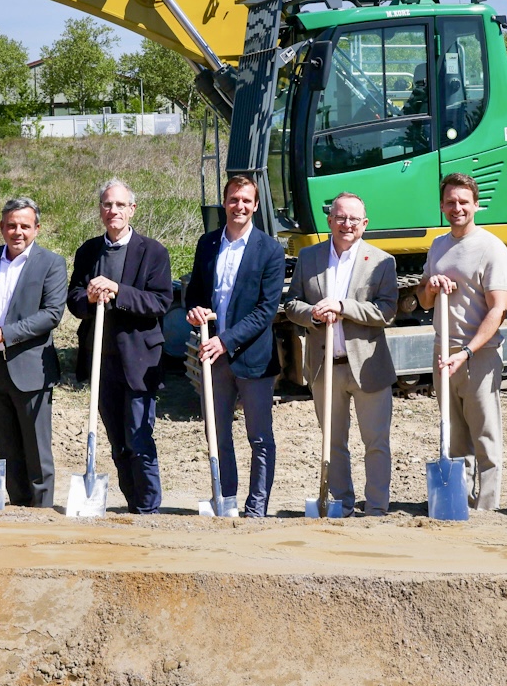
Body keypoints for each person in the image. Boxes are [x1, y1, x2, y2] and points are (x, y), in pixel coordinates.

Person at [282, 192, 400, 515]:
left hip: (367, 367)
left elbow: (387, 311)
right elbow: (292, 304)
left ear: (364, 224)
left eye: (353, 219)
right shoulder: (309, 258)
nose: (346, 224)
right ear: (330, 220)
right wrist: (315, 314)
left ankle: (376, 508)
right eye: (340, 217)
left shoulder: (381, 262)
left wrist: (343, 307)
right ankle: (341, 504)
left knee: (375, 442)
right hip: (324, 367)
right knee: (333, 442)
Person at [68, 178, 174, 513]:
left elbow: (160, 302)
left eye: (119, 205)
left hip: (139, 361)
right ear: (100, 210)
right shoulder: (88, 252)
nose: (113, 211)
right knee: (116, 442)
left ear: (132, 209)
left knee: (138, 438)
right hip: (101, 359)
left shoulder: (153, 251)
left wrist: (117, 291)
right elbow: (73, 300)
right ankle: (131, 504)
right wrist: (88, 296)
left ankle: (148, 507)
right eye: (107, 205)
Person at [182, 175, 287, 516]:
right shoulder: (208, 244)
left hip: (252, 358)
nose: (239, 206)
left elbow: (265, 311)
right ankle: (224, 500)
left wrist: (225, 341)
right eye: (233, 199)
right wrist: (194, 310)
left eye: (246, 200)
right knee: (217, 434)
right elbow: (195, 292)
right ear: (224, 203)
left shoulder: (270, 250)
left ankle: (256, 509)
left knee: (259, 438)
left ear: (255, 206)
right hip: (212, 357)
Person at [0, 196, 68, 508]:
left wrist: (4, 334)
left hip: (31, 367)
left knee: (37, 449)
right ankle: (20, 507)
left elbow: (51, 315)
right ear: (1, 227)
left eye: (24, 225)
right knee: (6, 444)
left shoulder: (51, 263)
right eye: (11, 225)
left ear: (37, 228)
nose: (17, 231)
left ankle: (42, 510)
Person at [418, 172, 507, 510]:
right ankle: (457, 502)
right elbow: (425, 301)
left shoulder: (491, 248)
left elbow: (498, 309)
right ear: (442, 206)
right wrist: (430, 287)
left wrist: (469, 351)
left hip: (479, 355)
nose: (457, 207)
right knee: (453, 433)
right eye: (450, 202)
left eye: (463, 202)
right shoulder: (439, 245)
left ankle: (486, 507)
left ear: (476, 204)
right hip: (443, 351)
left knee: (484, 435)